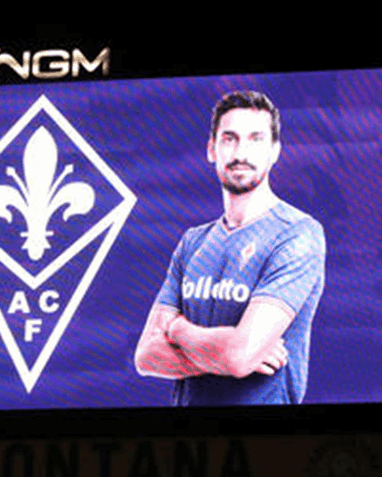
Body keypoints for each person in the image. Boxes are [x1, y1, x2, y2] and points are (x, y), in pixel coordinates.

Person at [134, 90, 325, 405]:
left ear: (275, 151)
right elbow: (146, 356)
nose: (241, 153)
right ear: (212, 149)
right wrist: (226, 353)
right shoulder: (193, 242)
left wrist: (179, 331)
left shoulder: (297, 234)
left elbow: (238, 357)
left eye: (255, 139)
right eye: (229, 139)